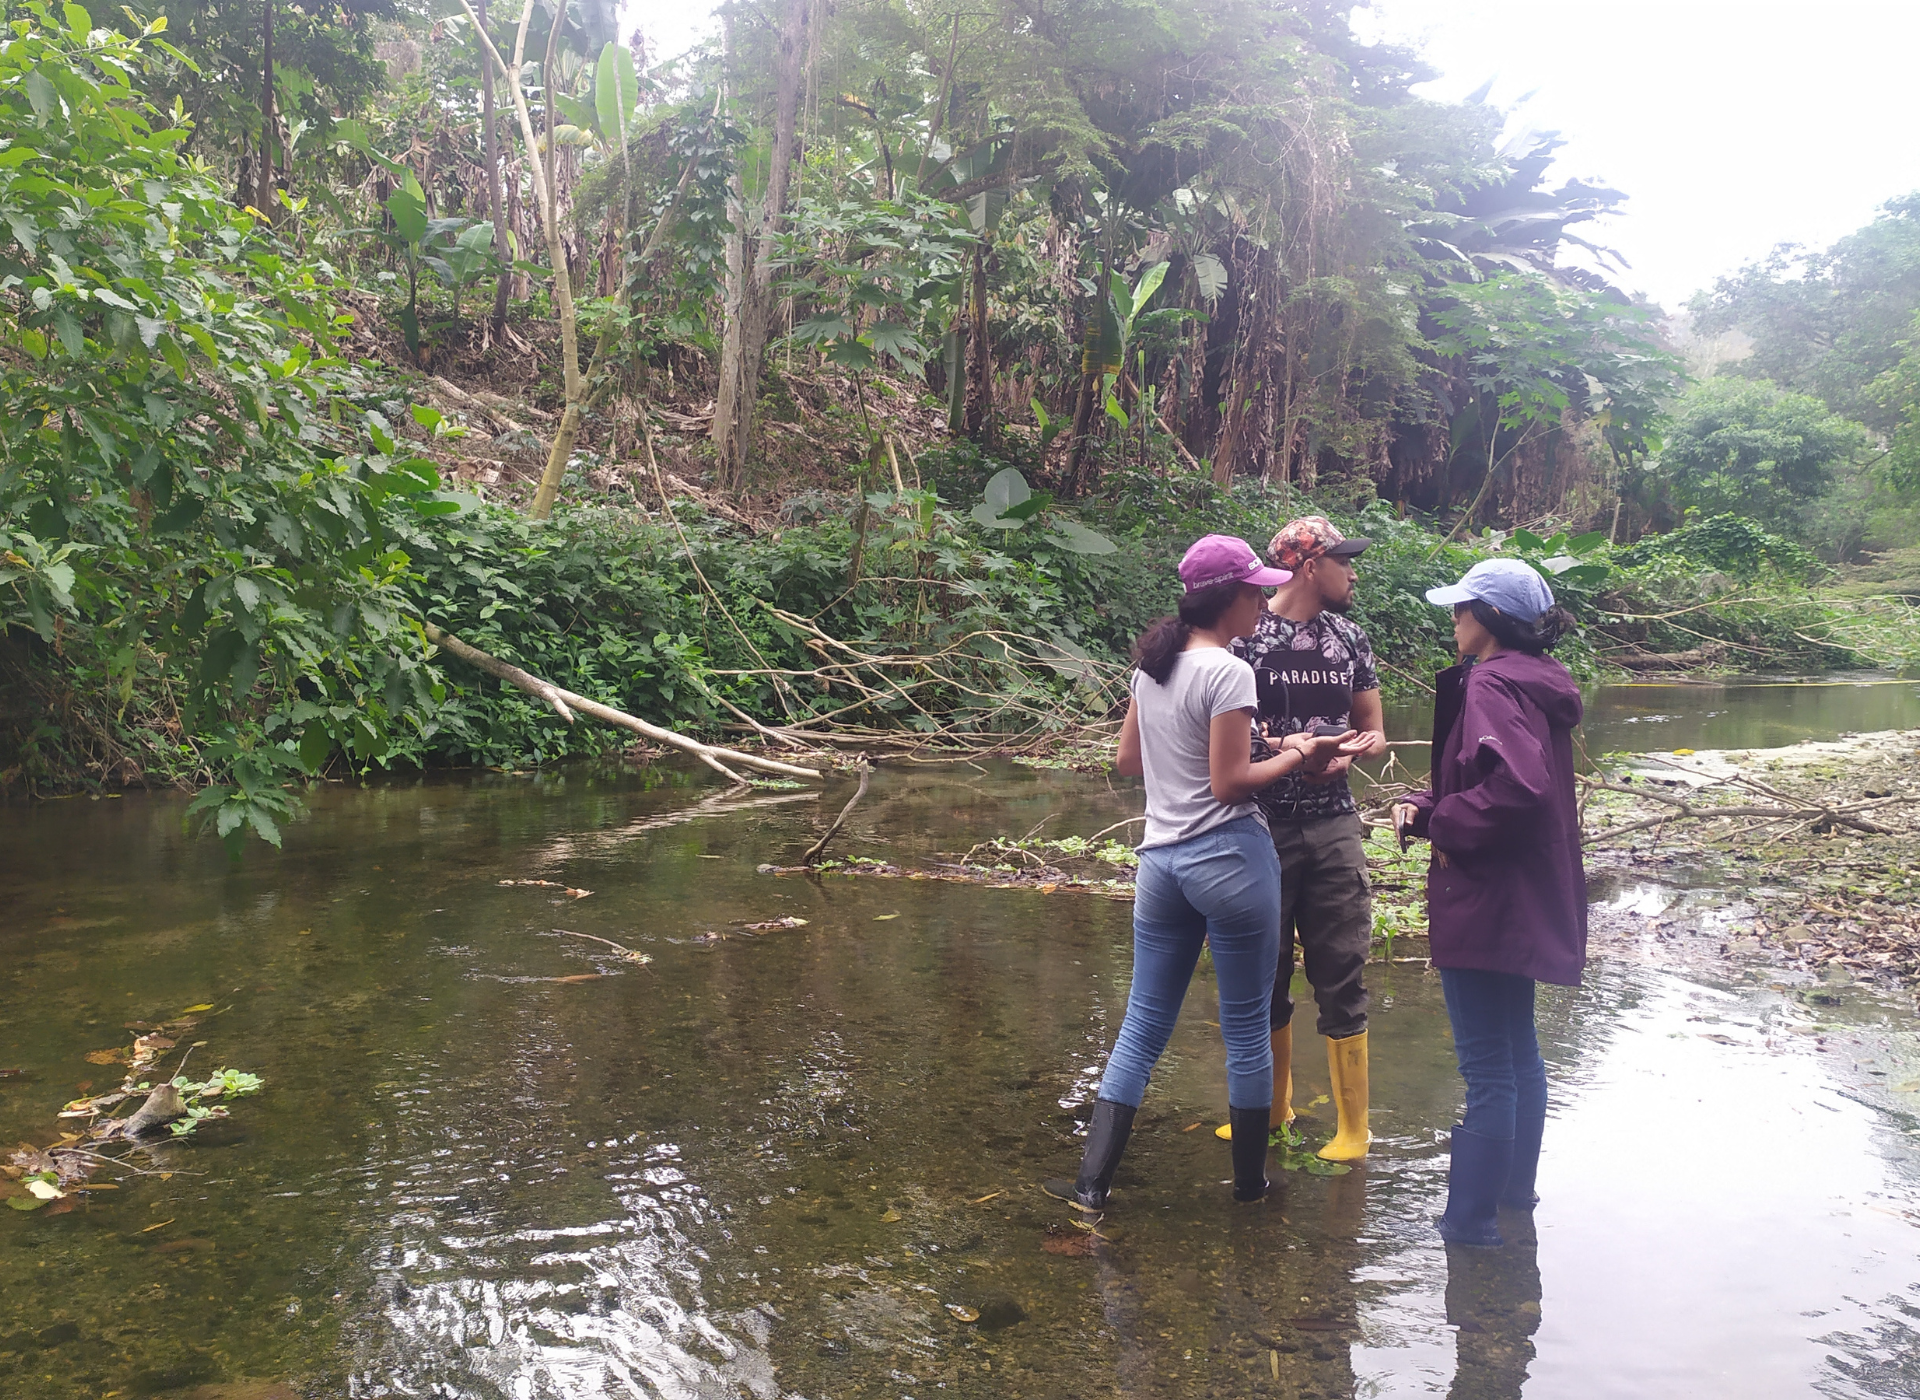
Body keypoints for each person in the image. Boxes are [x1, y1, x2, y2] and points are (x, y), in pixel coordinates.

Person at [1045, 535, 1350, 1211]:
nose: (1260, 606)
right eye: (1253, 593)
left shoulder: (1154, 666)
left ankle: (1091, 1187)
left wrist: (1273, 744)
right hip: (1229, 861)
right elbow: (1231, 784)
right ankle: (1249, 1190)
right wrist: (1302, 756)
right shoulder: (1230, 671)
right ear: (1231, 597)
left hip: (1161, 865)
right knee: (1245, 1031)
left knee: (1142, 1025)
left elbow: (1131, 760)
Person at [1392, 558, 1587, 1248]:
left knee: (1485, 1065)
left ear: (1491, 620)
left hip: (1485, 896)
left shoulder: (1491, 684)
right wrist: (1429, 800)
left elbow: (1516, 789)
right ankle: (1512, 1201)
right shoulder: (1535, 683)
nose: (1453, 620)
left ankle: (1468, 1228)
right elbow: (1494, 775)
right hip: (1523, 895)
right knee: (1518, 1052)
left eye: (1461, 609)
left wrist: (1434, 823)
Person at [1217, 515, 1387, 1162]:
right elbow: (1227, 735)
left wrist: (1354, 751)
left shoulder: (1350, 638)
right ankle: (1274, 1110)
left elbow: (1372, 726)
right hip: (1260, 823)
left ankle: (1353, 1129)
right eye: (1345, 561)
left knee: (1342, 963)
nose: (1353, 573)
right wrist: (1289, 749)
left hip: (1333, 822)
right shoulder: (1245, 642)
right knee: (1264, 972)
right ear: (1311, 566)